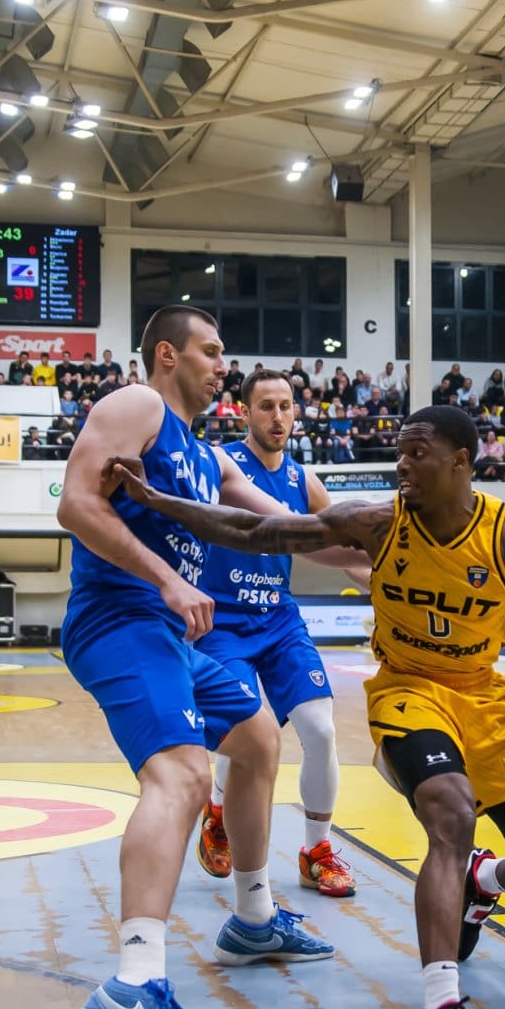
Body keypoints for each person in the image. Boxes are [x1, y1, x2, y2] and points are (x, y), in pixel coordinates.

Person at [107, 404, 505, 1009]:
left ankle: (482, 883)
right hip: (407, 693)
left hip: (486, 704)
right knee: (451, 812)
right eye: (399, 452)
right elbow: (255, 529)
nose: (401, 464)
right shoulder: (378, 521)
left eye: (417, 453)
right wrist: (160, 502)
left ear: (460, 462)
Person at [56, 305, 333, 1009]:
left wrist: (387, 545)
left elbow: (292, 526)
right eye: (211, 352)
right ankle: (134, 984)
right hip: (119, 618)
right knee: (181, 775)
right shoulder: (136, 405)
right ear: (168, 354)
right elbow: (74, 504)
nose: (222, 366)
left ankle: (252, 916)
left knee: (258, 738)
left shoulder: (208, 458)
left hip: (166, 631)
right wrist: (169, 579)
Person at [196, 370, 369, 896]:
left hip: (279, 620)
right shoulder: (219, 463)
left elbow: (346, 552)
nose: (278, 416)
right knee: (246, 729)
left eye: (286, 406)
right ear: (244, 412)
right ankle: (218, 812)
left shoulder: (304, 481)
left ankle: (317, 851)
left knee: (320, 729)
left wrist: (390, 582)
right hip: (223, 623)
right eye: (266, 406)